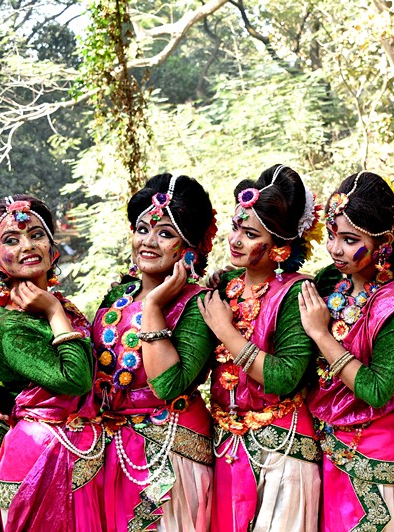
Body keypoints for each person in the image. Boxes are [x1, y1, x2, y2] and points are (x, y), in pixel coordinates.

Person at [197, 164, 323, 531]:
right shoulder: (226, 288)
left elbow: (285, 376)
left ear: (280, 248)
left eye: (250, 234)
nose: (235, 240)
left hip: (284, 450)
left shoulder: (297, 293)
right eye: (236, 227)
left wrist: (227, 332)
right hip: (227, 448)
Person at [93, 173, 217, 531]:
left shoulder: (199, 304)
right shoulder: (117, 295)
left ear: (190, 247)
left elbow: (168, 385)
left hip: (173, 452)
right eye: (143, 229)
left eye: (165, 233)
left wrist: (153, 306)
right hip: (112, 446)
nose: (148, 241)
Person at [298, 171, 394, 531]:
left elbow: (377, 390)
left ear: (384, 242)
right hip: (329, 449)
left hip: (376, 456)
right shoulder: (329, 282)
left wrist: (321, 335)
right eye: (331, 235)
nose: (335, 248)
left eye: (350, 240)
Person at [0, 195, 101, 531]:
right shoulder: (12, 325)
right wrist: (53, 311)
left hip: (79, 454)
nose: (28, 246)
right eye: (11, 240)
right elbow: (76, 380)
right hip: (37, 459)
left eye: (36, 235)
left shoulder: (61, 304)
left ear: (52, 247)